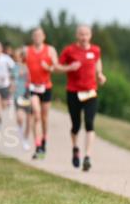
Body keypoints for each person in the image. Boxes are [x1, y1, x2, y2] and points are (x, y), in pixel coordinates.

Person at [56, 25, 106, 172]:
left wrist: (100, 75)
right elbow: (57, 67)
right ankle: (75, 148)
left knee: (89, 123)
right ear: (77, 35)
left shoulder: (95, 50)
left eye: (86, 34)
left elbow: (97, 63)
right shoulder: (69, 50)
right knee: (76, 125)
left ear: (90, 35)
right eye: (81, 34)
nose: (84, 37)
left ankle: (87, 157)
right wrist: (69, 68)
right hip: (73, 92)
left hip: (90, 91)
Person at [26, 27, 59, 159]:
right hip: (32, 87)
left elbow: (56, 67)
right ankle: (38, 145)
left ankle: (44, 140)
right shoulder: (27, 51)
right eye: (35, 35)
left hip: (46, 87)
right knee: (36, 115)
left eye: (39, 35)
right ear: (32, 37)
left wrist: (49, 67)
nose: (37, 37)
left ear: (44, 37)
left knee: (44, 118)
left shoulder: (50, 50)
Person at [12, 48, 33, 149]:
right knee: (20, 118)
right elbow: (11, 81)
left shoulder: (28, 67)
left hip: (28, 94)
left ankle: (25, 140)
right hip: (18, 95)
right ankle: (21, 133)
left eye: (19, 56)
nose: (17, 58)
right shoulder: (13, 67)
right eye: (15, 56)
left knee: (29, 120)